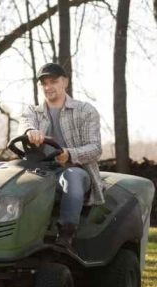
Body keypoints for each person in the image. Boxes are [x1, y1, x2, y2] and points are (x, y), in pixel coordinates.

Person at [17, 62, 104, 251]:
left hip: (76, 170)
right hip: (39, 171)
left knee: (71, 176)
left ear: (65, 81)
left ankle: (66, 233)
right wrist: (30, 131)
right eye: (44, 83)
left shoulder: (85, 111)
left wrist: (70, 154)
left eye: (53, 81)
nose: (48, 87)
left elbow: (96, 148)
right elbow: (24, 123)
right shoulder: (33, 111)